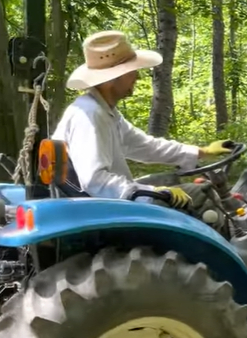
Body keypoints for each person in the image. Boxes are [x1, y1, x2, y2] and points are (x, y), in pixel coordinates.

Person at [51, 30, 230, 209]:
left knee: (181, 186)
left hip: (107, 203)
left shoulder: (105, 111)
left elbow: (145, 146)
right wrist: (151, 193)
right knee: (204, 194)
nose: (137, 76)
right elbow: (95, 181)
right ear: (111, 79)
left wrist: (202, 151)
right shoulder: (90, 115)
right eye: (131, 71)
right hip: (101, 210)